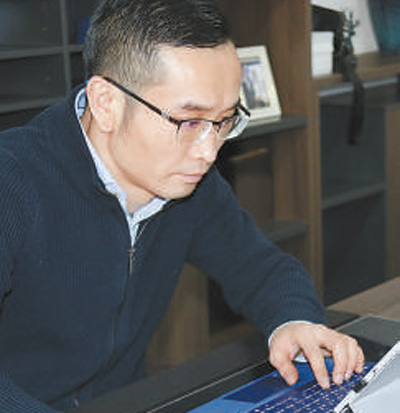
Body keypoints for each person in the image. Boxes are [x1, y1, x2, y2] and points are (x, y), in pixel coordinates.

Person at [0, 0, 364, 411]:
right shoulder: (12, 181)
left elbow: (258, 266)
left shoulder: (188, 182)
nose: (208, 152)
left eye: (225, 121)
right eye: (189, 121)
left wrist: (294, 321)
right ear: (106, 103)